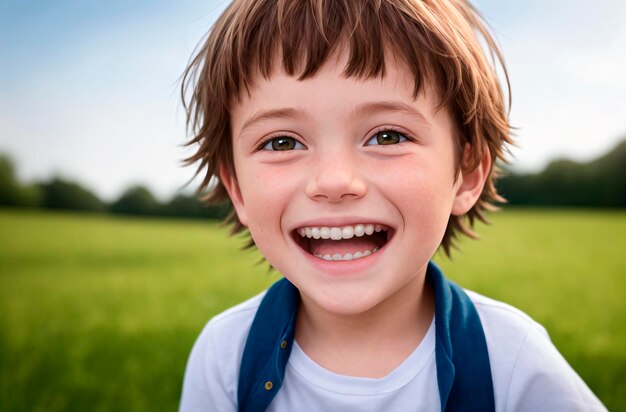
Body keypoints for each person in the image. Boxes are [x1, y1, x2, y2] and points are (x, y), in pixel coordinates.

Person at [178, 0, 606, 410]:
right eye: (282, 142)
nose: (333, 182)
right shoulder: (225, 356)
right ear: (236, 188)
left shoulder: (510, 358)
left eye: (387, 136)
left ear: (467, 172)